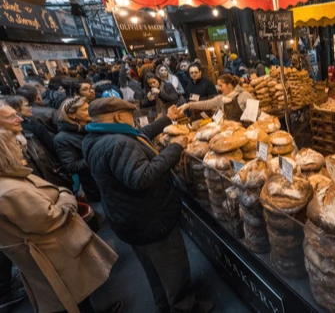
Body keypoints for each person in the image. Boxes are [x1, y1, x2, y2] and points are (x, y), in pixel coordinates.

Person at [82, 98, 214, 313]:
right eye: (128, 115)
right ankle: (186, 306)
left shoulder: (94, 137)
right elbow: (142, 177)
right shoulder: (118, 143)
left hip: (126, 218)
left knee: (152, 267)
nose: (132, 120)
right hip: (150, 219)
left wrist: (165, 120)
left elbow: (138, 137)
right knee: (173, 267)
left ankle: (163, 303)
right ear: (118, 116)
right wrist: (175, 148)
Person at [0, 124, 122, 313]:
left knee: (78, 296)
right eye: (13, 145)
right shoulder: (9, 191)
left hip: (54, 252)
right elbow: (50, 218)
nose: (20, 148)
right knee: (71, 298)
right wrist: (66, 197)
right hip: (53, 253)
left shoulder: (10, 180)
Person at [55, 96, 101, 203]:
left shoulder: (92, 125)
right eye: (85, 110)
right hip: (94, 184)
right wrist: (96, 157)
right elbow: (70, 166)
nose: (90, 111)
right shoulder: (62, 138)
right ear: (72, 115)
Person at [178, 74, 253, 121]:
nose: (218, 88)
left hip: (248, 131)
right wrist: (188, 105)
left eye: (221, 85)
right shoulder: (221, 99)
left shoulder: (245, 95)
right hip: (233, 131)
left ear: (229, 85)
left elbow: (256, 113)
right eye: (218, 86)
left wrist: (249, 117)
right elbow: (206, 104)